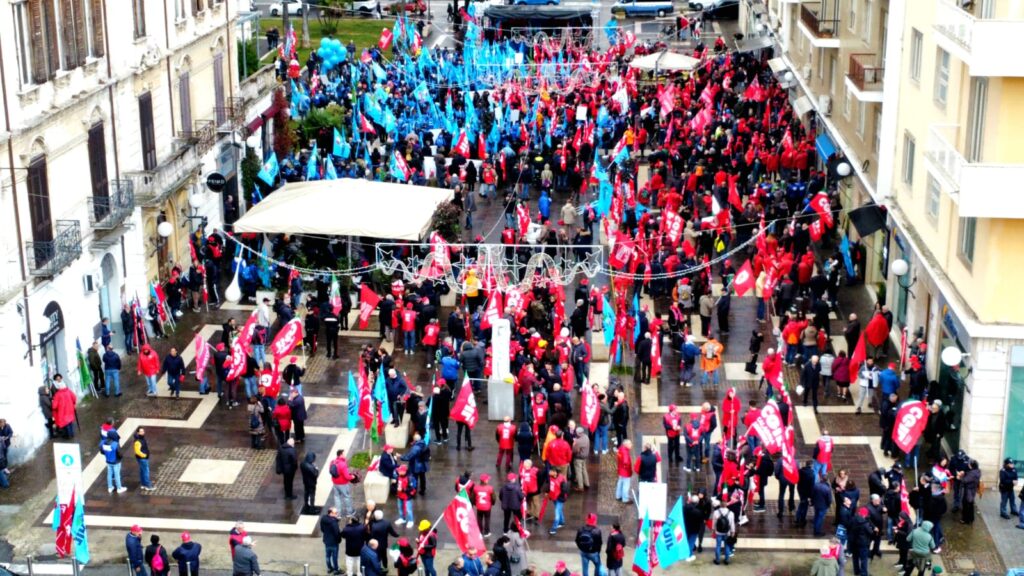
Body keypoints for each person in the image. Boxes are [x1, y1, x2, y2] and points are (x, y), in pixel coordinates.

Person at [330, 449, 359, 516]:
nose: (345, 455)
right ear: (341, 455)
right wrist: (352, 477)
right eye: (344, 453)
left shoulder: (332, 462)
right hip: (343, 484)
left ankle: (338, 514)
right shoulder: (343, 464)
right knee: (347, 497)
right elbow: (347, 477)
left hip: (335, 483)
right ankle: (350, 512)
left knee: (337, 497)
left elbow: (331, 471)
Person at [102, 429, 127, 493]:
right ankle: (119, 488)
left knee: (109, 474)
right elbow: (119, 452)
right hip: (116, 461)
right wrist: (121, 457)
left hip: (108, 461)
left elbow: (102, 451)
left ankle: (110, 487)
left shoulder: (103, 442)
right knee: (117, 475)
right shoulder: (115, 444)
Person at [711, 499, 735, 565]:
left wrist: (713, 530)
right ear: (726, 504)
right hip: (727, 532)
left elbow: (714, 523)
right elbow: (732, 523)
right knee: (727, 546)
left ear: (720, 505)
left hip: (718, 532)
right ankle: (727, 560)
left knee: (718, 546)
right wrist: (733, 532)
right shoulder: (731, 513)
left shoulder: (716, 512)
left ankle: (717, 560)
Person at [320, 507, 342, 575]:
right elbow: (337, 533)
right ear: (331, 513)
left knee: (327, 556)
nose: (337, 514)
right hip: (334, 542)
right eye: (336, 513)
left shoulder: (323, 518)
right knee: (334, 557)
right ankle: (336, 569)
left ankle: (329, 568)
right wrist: (339, 540)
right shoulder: (333, 522)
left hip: (326, 540)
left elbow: (322, 529)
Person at [475, 473, 495, 537]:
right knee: (487, 519)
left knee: (479, 519)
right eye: (487, 479)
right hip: (487, 507)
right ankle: (486, 532)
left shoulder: (476, 488)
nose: (488, 480)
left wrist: (475, 504)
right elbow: (493, 498)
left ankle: (480, 532)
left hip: (479, 506)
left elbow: (472, 497)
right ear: (485, 481)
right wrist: (492, 503)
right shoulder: (490, 488)